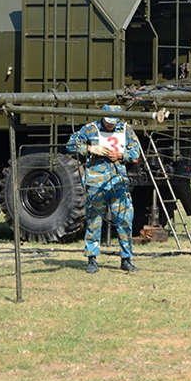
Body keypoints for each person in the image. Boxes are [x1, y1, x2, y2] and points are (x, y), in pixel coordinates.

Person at [67, 104, 143, 273]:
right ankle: (92, 260)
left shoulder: (125, 130)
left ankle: (126, 259)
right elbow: (71, 145)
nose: (111, 126)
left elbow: (136, 151)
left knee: (124, 219)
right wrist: (90, 149)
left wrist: (121, 155)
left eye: (113, 123)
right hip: (96, 182)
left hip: (118, 182)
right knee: (94, 221)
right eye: (108, 123)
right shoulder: (90, 129)